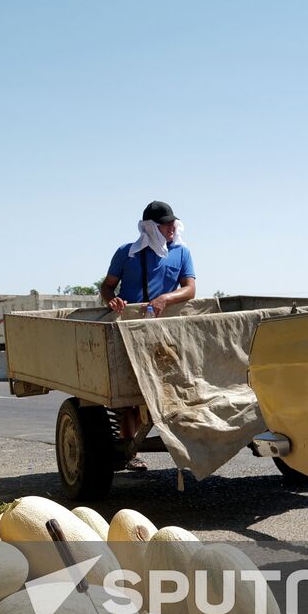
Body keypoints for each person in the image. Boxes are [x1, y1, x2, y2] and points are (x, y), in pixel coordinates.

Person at [99, 200, 197, 469]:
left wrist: (166, 297)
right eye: (165, 224)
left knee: (168, 386)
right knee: (130, 391)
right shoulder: (126, 253)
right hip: (128, 328)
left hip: (167, 330)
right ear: (150, 227)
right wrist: (112, 300)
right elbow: (107, 287)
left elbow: (189, 289)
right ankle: (130, 449)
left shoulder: (181, 252)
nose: (171, 228)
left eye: (172, 223)